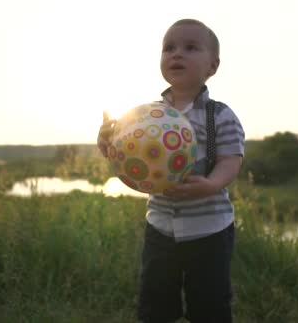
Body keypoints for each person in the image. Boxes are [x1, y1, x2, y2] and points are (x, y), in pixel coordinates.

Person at [97, 19, 245, 323]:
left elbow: (231, 159)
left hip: (210, 230)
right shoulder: (146, 115)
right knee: (155, 302)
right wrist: (108, 141)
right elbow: (125, 152)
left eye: (190, 48)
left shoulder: (220, 115)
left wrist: (211, 184)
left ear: (213, 66)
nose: (177, 54)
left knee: (210, 304)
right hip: (161, 226)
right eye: (169, 48)